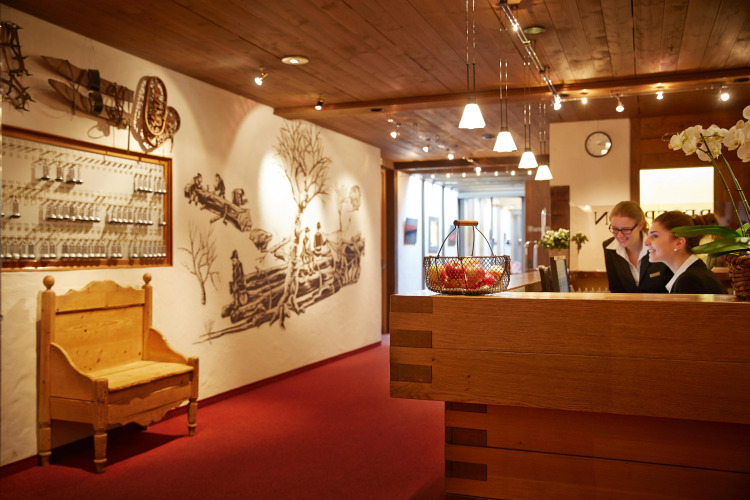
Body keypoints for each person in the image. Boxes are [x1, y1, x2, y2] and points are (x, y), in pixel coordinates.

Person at [644, 211, 727, 294]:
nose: (646, 242)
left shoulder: (690, 281)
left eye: (655, 236)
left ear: (679, 243)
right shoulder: (691, 275)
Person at [603, 201, 672, 293]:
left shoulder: (658, 244)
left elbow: (672, 286)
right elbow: (616, 288)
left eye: (626, 229)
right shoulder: (609, 247)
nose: (619, 235)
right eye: (615, 229)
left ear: (640, 225)